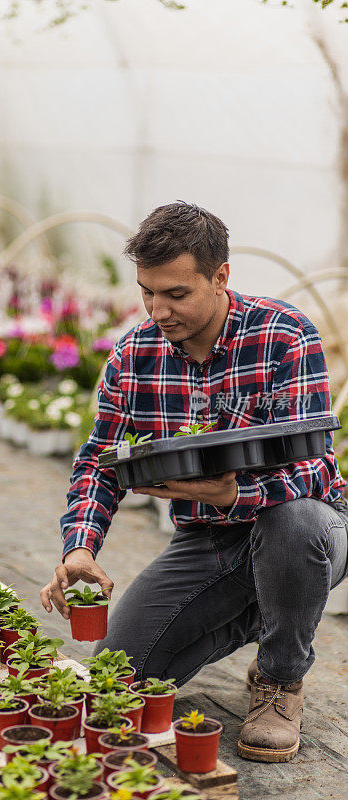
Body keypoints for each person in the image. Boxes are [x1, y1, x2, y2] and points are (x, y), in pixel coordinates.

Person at [40, 201, 348, 763]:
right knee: (119, 679)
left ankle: (281, 677)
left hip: (305, 528)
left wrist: (236, 493)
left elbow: (314, 467)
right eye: (147, 292)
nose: (158, 310)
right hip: (207, 540)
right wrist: (80, 549)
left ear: (220, 277)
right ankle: (269, 612)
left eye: (176, 294)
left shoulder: (284, 335)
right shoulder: (135, 354)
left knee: (294, 522)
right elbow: (99, 463)